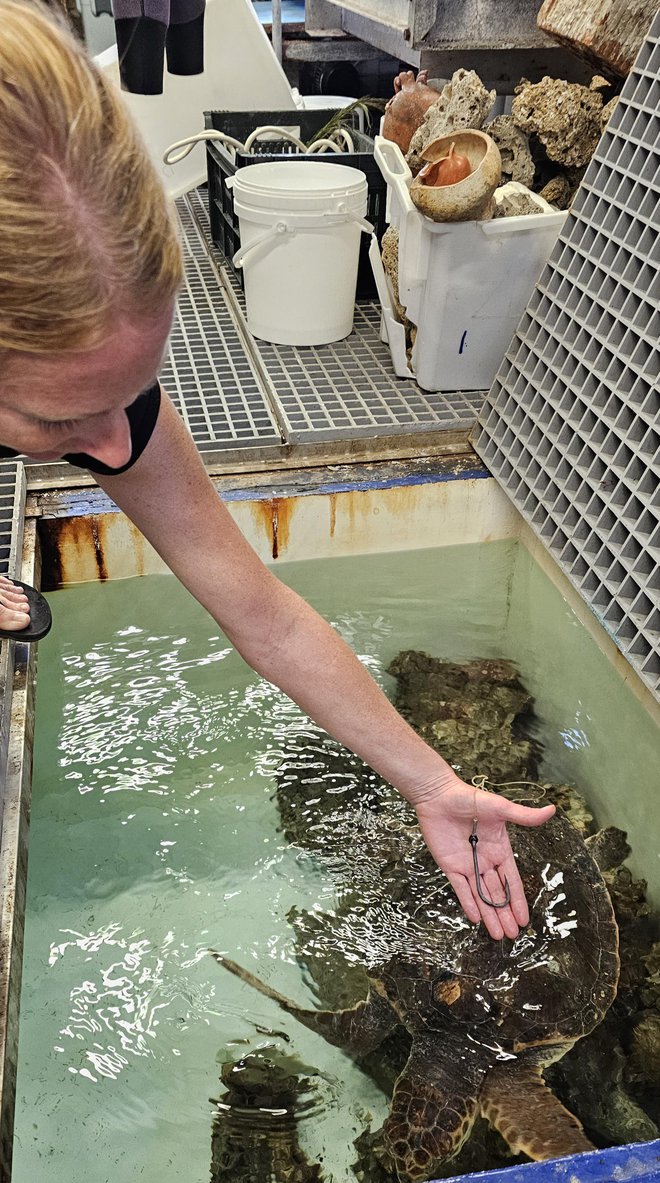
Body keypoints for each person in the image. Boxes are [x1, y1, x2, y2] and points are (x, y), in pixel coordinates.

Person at [0, 0, 554, 942]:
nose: (107, 450)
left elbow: (265, 614)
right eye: (59, 416)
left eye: (131, 389)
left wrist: (433, 781)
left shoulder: (109, 407)